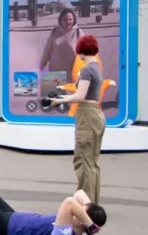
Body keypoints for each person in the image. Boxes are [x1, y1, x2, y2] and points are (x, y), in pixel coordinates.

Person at [43, 35, 106, 203]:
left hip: (87, 115)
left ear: (81, 50)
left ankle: (84, 204)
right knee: (92, 162)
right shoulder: (97, 68)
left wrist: (59, 100)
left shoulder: (86, 70)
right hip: (96, 114)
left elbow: (80, 96)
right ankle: (93, 202)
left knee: (83, 160)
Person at [39, 8, 83, 82]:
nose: (68, 22)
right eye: (65, 20)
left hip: (72, 74)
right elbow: (48, 50)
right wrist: (42, 65)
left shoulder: (79, 32)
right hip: (54, 72)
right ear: (60, 20)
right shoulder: (55, 32)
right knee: (53, 93)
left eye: (70, 19)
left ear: (74, 20)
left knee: (70, 93)